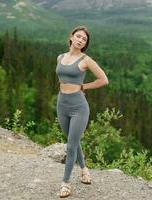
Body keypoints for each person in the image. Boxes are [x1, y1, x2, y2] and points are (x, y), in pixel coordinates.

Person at [55, 25, 109, 198]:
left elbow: (104, 80)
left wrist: (84, 86)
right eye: (78, 36)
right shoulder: (60, 57)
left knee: (71, 145)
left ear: (85, 44)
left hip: (79, 107)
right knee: (73, 140)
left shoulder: (86, 60)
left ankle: (65, 184)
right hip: (62, 104)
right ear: (71, 37)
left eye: (84, 39)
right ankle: (84, 170)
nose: (80, 40)